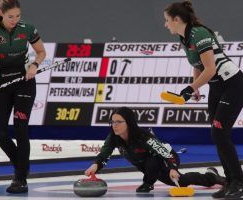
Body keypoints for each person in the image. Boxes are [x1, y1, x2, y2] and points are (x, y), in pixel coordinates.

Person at [164, 1, 243, 199]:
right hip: (216, 88)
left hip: (232, 85)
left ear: (177, 19)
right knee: (218, 135)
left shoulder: (199, 34)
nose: (166, 25)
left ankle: (239, 182)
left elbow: (211, 68)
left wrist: (190, 89)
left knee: (219, 133)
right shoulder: (185, 37)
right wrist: (196, 86)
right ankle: (229, 182)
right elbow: (197, 64)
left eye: (167, 21)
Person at [0, 0, 46, 193]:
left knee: (20, 127)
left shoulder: (28, 29)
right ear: (1, 13)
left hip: (24, 82)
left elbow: (41, 52)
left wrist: (34, 65)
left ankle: (20, 178)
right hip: (2, 83)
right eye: (10, 17)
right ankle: (21, 164)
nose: (14, 20)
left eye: (17, 16)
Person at [85, 107, 225, 193]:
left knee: (174, 176)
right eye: (112, 122)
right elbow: (104, 154)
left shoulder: (143, 137)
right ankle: (210, 175)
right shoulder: (113, 137)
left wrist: (172, 168)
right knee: (177, 179)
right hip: (148, 166)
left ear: (129, 122)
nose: (115, 125)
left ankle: (211, 178)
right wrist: (95, 165)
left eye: (119, 122)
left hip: (166, 158)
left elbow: (167, 153)